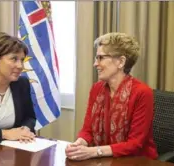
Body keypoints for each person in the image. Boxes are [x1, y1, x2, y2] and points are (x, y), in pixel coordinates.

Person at [65, 32, 158, 160]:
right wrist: (79, 143)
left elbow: (135, 144)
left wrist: (93, 151)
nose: (95, 64)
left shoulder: (143, 93)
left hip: (137, 161)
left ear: (121, 62)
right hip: (106, 160)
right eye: (96, 58)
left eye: (100, 58)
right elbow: (88, 130)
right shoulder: (96, 89)